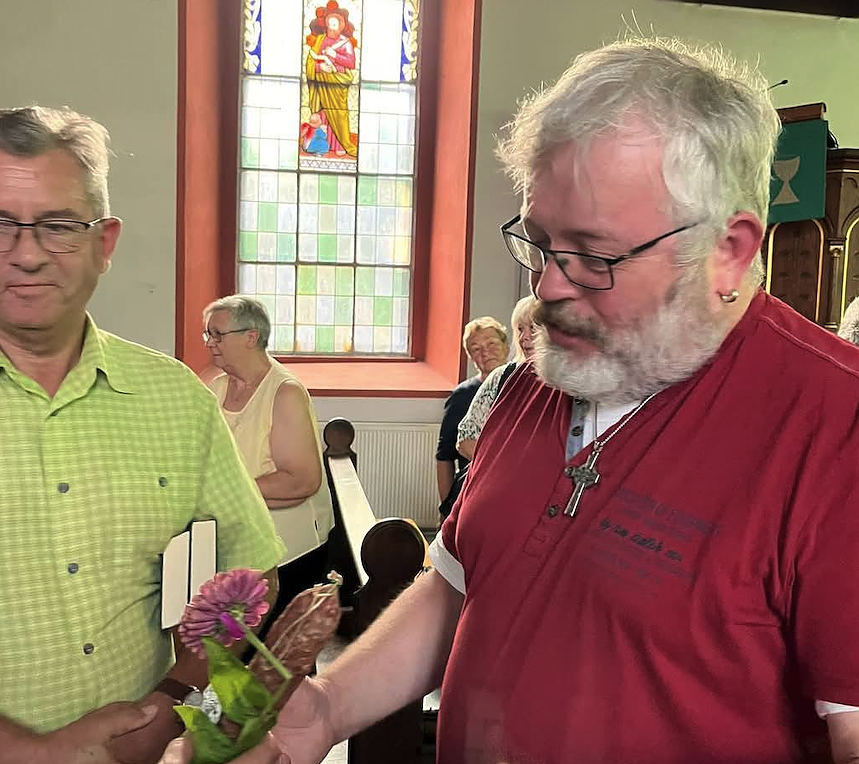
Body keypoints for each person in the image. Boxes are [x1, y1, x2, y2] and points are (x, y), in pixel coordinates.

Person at [170, 36, 859, 764]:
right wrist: (329, 707)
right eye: (538, 242)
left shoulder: (834, 427)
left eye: (591, 255)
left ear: (729, 249)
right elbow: (457, 585)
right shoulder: (545, 374)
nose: (547, 288)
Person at [0, 106, 286, 764]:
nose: (27, 253)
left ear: (104, 244)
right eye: (1, 223)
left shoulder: (175, 398)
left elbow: (249, 570)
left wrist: (178, 694)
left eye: (58, 226)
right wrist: (32, 751)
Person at [203, 295, 335, 628]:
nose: (210, 343)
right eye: (208, 334)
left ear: (251, 336)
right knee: (234, 644)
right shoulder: (216, 388)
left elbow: (301, 480)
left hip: (289, 551)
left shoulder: (285, 392)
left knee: (271, 650)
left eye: (218, 334)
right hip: (240, 542)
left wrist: (227, 491)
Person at [435, 316, 509, 502]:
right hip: (474, 489)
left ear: (505, 346)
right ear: (471, 357)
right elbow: (444, 456)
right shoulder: (462, 396)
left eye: (492, 343)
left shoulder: (525, 387)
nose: (486, 352)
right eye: (476, 349)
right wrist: (446, 507)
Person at [455, 295, 537, 461]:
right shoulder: (501, 377)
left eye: (533, 328)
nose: (524, 337)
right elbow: (465, 439)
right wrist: (503, 466)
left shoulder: (575, 383)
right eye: (520, 329)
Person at [305, 2, 358, 159]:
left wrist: (336, 56)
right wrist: (320, 67)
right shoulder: (320, 40)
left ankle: (340, 144)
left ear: (341, 26)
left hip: (338, 83)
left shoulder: (346, 43)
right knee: (324, 114)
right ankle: (323, 145)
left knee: (338, 114)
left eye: (335, 24)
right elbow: (310, 61)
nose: (332, 27)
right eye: (330, 23)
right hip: (322, 83)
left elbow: (351, 63)